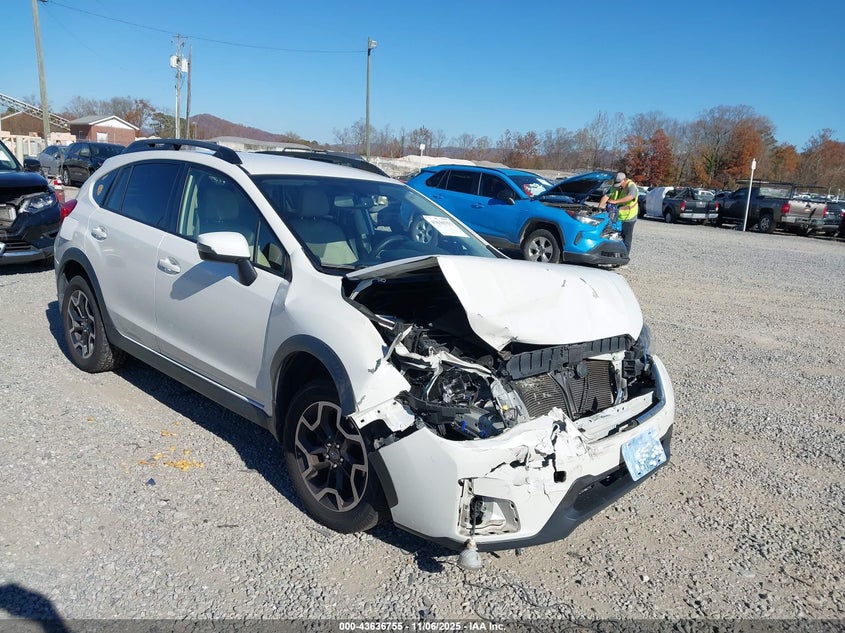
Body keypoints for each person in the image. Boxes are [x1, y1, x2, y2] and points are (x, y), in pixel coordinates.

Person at [600, 172, 639, 255]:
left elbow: (631, 196)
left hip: (629, 217)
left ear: (624, 180)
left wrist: (615, 201)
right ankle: (610, 255)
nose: (618, 186)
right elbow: (606, 196)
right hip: (616, 217)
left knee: (626, 238)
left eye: (620, 184)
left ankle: (624, 257)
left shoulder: (631, 186)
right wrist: (600, 207)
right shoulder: (615, 187)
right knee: (612, 235)